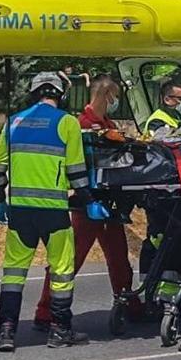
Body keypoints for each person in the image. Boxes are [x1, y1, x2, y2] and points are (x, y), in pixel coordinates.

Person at [0, 71, 91, 352]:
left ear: (33, 93)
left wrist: (1, 200)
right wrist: (87, 198)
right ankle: (60, 330)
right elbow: (76, 171)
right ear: (60, 94)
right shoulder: (68, 123)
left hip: (20, 211)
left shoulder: (14, 121)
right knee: (61, 270)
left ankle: (6, 331)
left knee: (13, 272)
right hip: (54, 211)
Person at [31, 75, 140, 330]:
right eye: (115, 96)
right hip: (86, 201)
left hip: (109, 201)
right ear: (106, 95)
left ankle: (128, 304)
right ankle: (45, 310)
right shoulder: (81, 124)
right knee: (71, 258)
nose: (116, 101)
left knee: (119, 257)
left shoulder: (107, 124)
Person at [139, 78, 181, 311]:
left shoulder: (179, 119)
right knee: (161, 240)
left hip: (180, 188)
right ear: (168, 99)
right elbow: (165, 141)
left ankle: (168, 294)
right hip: (163, 191)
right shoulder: (158, 120)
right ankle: (153, 294)